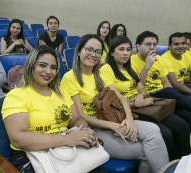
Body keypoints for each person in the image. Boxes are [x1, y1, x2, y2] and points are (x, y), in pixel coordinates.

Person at [61, 34, 169, 173]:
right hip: (93, 128)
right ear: (79, 51)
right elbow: (80, 115)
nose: (93, 55)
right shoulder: (70, 78)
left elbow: (121, 99)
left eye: (98, 52)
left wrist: (129, 119)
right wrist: (113, 126)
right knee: (146, 151)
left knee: (153, 130)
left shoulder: (100, 74)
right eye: (89, 49)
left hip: (112, 117)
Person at [1, 45, 108, 173]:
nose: (48, 71)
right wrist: (67, 139)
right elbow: (18, 138)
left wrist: (85, 132)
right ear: (31, 66)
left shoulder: (61, 92)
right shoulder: (17, 95)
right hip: (32, 154)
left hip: (65, 148)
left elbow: (76, 119)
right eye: (42, 65)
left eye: (53, 67)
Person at [100, 35, 191, 157]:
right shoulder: (106, 69)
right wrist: (138, 102)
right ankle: (167, 163)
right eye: (121, 49)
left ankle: (185, 161)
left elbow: (141, 87)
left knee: (182, 125)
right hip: (128, 110)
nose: (125, 53)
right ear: (112, 52)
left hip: (143, 105)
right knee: (166, 133)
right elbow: (113, 101)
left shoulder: (128, 67)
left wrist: (141, 96)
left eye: (128, 49)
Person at [131, 31, 191, 129]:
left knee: (186, 114)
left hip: (164, 96)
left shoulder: (158, 58)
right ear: (138, 46)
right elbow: (138, 87)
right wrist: (147, 66)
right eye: (148, 44)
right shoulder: (131, 61)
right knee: (171, 92)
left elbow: (166, 82)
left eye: (154, 44)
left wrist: (171, 101)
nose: (152, 47)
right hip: (147, 96)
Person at [161, 32, 191, 105]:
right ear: (169, 46)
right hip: (171, 91)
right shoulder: (165, 59)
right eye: (176, 44)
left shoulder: (186, 56)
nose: (180, 46)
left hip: (183, 85)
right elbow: (175, 84)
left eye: (183, 43)